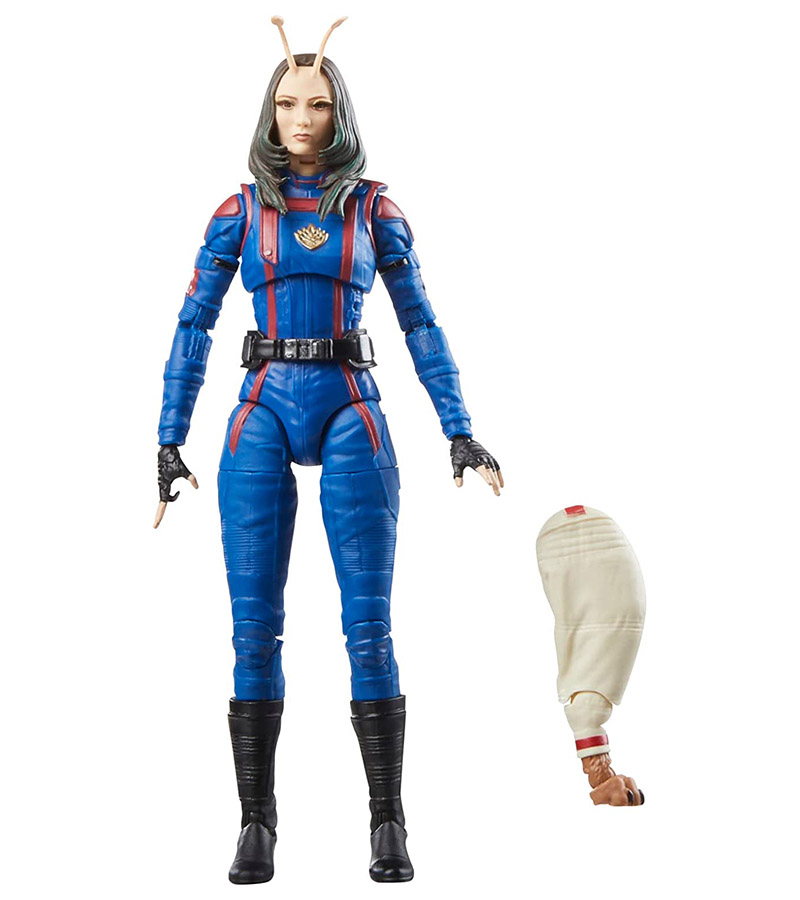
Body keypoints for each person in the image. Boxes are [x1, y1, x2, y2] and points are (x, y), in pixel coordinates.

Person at [155, 16, 501, 885]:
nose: (301, 119)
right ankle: (256, 822)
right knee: (252, 634)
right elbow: (193, 326)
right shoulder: (239, 211)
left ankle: (388, 820)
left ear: (340, 111)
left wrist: (458, 427)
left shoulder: (376, 209)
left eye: (316, 104)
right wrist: (168, 438)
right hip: (262, 409)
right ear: (267, 111)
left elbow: (421, 322)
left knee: (368, 629)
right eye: (286, 104)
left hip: (352, 407)